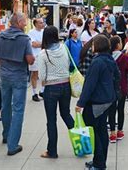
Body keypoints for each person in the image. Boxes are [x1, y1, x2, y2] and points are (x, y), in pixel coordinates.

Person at [0, 13, 34, 156]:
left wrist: (3, 68)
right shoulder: (24, 39)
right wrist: (33, 58)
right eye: (24, 22)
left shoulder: (0, 36)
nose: (25, 24)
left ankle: (6, 135)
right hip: (19, 76)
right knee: (18, 110)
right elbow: (30, 60)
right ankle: (13, 145)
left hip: (4, 76)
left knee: (5, 105)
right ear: (18, 22)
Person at [76, 35, 118, 170]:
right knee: (101, 132)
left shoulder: (97, 62)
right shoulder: (110, 59)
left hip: (96, 102)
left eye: (93, 44)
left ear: (97, 46)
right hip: (107, 100)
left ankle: (99, 163)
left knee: (95, 133)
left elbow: (89, 85)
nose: (91, 47)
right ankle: (99, 161)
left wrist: (80, 103)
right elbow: (117, 77)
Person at [37, 26, 74, 158]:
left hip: (51, 88)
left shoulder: (43, 54)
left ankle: (52, 151)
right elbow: (69, 63)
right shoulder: (64, 47)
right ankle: (81, 141)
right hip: (66, 85)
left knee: (51, 120)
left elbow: (42, 76)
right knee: (66, 114)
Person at [108, 36, 128, 143]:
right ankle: (120, 131)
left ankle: (112, 133)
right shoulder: (124, 58)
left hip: (110, 87)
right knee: (121, 109)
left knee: (111, 110)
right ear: (118, 45)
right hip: (122, 86)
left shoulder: (108, 57)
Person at [28, 18, 44, 102]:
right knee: (35, 74)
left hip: (43, 55)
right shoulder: (31, 32)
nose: (42, 24)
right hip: (35, 56)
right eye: (40, 23)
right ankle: (34, 93)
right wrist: (43, 43)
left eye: (42, 22)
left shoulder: (44, 32)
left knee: (44, 74)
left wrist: (41, 44)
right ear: (36, 24)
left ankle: (42, 91)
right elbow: (34, 44)